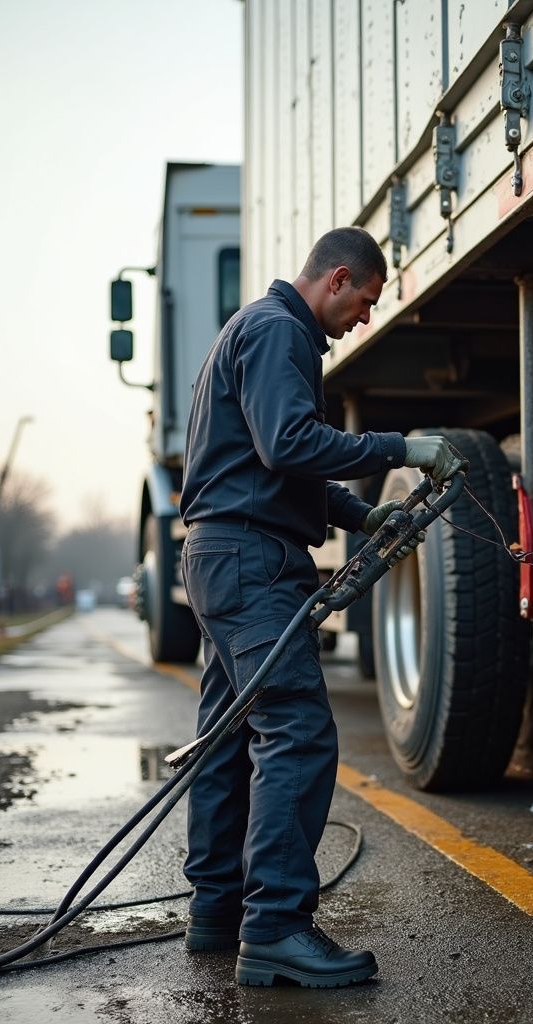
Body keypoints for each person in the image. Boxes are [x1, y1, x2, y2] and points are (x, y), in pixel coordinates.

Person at [178, 226, 463, 989]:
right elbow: (290, 445)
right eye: (365, 302)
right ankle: (274, 930)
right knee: (297, 734)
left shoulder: (249, 330)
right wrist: (403, 450)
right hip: (250, 563)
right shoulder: (281, 333)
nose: (363, 320)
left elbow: (266, 464)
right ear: (337, 280)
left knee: (227, 738)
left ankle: (217, 910)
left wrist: (359, 516)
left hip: (222, 555)